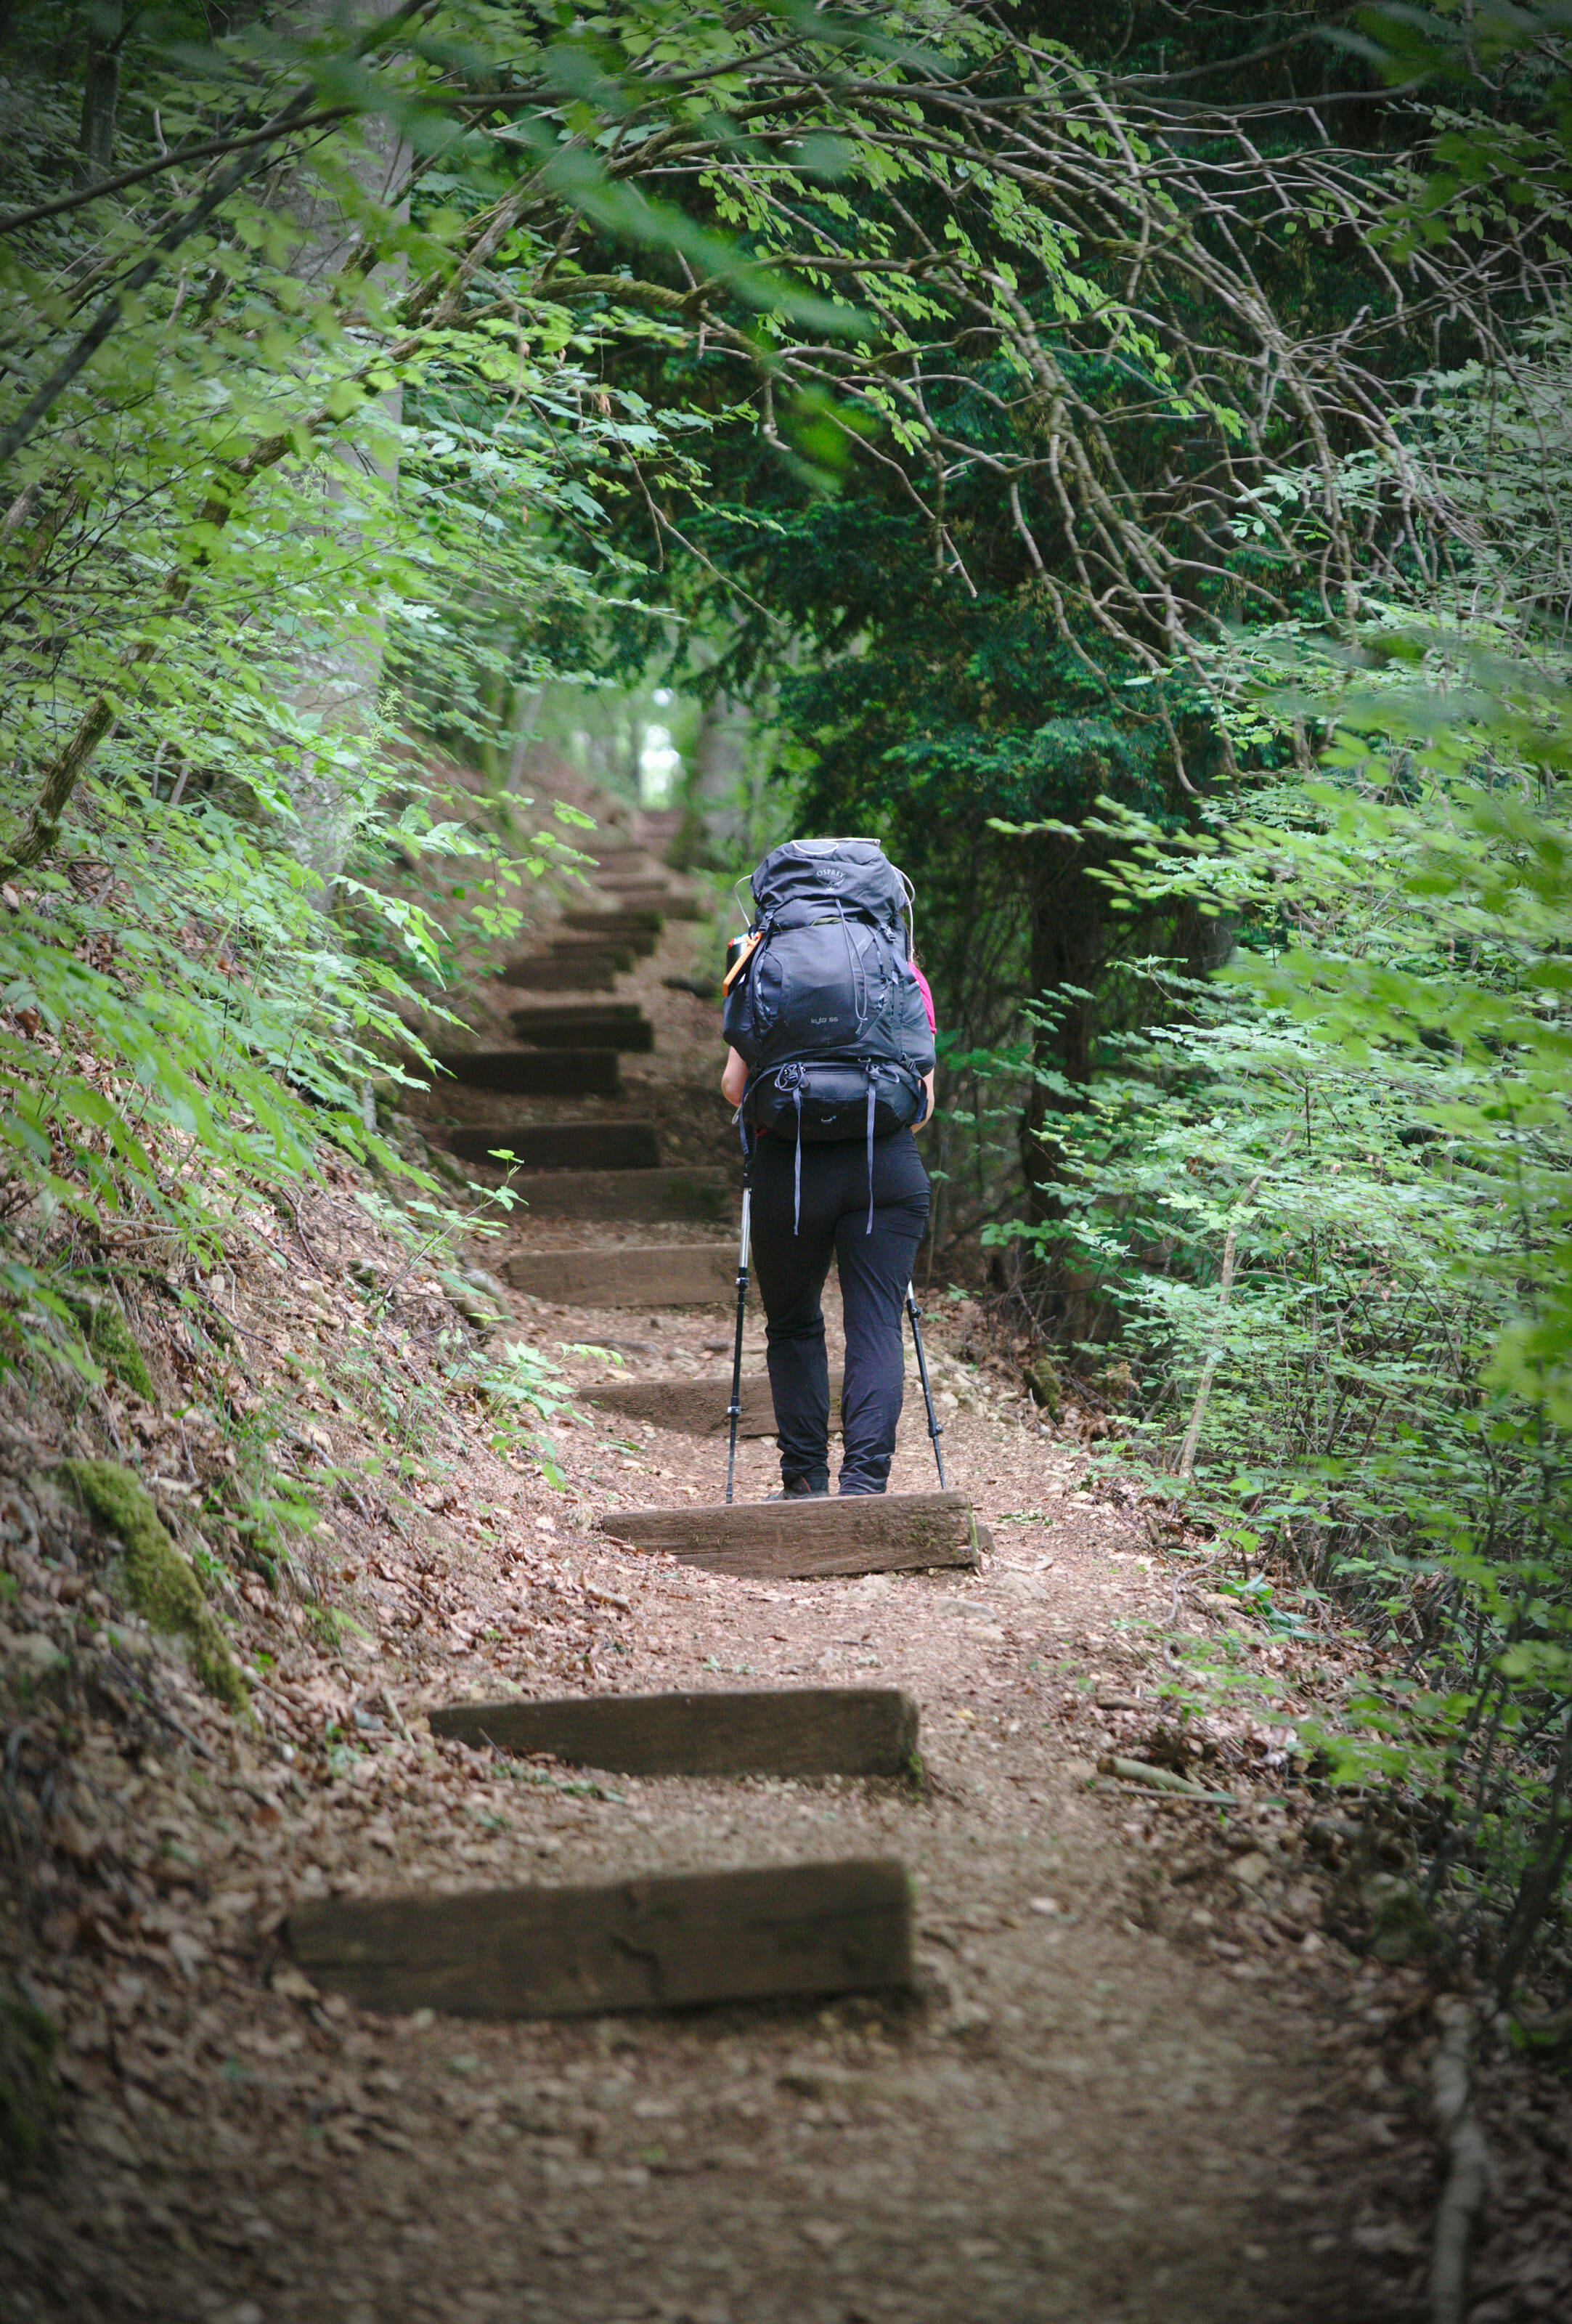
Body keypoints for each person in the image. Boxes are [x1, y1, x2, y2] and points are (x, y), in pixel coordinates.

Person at [721, 948, 937, 1498]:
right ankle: (864, 1485)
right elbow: (922, 1106)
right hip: (884, 1170)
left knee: (793, 1325)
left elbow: (732, 1087)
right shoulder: (901, 969)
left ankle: (805, 1483)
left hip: (788, 1169)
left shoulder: (759, 962)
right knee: (876, 1325)